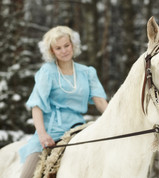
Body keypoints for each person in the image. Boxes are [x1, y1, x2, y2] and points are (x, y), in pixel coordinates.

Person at [19, 26, 108, 178]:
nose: (64, 50)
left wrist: (114, 120)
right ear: (52, 51)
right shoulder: (47, 72)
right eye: (58, 48)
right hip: (50, 130)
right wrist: (42, 135)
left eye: (66, 45)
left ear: (73, 45)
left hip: (78, 127)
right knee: (27, 175)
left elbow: (100, 101)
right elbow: (37, 106)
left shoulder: (87, 72)